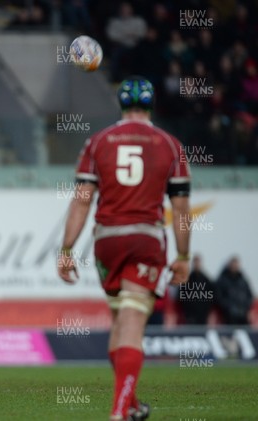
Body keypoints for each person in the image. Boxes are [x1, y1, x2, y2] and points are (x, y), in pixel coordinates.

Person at [57, 76, 191, 421]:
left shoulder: (98, 141)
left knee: (119, 320)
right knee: (132, 322)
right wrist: (183, 255)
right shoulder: (171, 145)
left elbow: (82, 201)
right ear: (151, 105)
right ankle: (119, 413)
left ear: (121, 105)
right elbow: (181, 210)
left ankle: (131, 405)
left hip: (106, 240)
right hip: (145, 239)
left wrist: (67, 249)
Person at [215, 257, 254, 325]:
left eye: (236, 265)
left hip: (243, 314)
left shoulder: (243, 280)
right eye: (233, 264)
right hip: (228, 316)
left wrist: (245, 307)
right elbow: (218, 297)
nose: (234, 266)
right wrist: (229, 307)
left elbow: (250, 296)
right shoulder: (223, 280)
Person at [178, 255, 214, 325]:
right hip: (189, 316)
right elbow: (181, 296)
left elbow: (212, 296)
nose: (197, 264)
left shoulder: (206, 280)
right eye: (195, 262)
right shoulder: (187, 280)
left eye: (198, 262)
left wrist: (205, 309)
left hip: (203, 316)